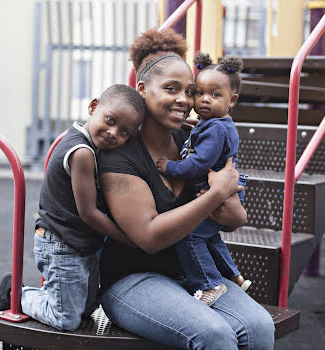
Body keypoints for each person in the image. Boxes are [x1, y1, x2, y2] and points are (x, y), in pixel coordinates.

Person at [97, 28, 275, 349]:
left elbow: (234, 217)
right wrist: (217, 195)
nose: (184, 100)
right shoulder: (120, 155)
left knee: (260, 327)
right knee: (213, 335)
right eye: (171, 89)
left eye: (190, 91)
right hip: (134, 278)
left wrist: (233, 209)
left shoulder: (192, 139)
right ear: (142, 89)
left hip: (191, 275)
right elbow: (150, 238)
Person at [0, 84, 145, 331]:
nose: (114, 133)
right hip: (60, 243)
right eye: (110, 120)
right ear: (93, 107)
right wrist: (128, 239)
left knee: (88, 308)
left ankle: (54, 295)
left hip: (81, 243)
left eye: (124, 132)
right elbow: (89, 213)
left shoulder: (96, 144)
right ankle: (14, 295)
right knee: (66, 318)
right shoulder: (81, 151)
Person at [156, 52, 251, 305]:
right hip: (217, 190)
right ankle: (235, 276)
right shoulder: (212, 124)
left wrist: (171, 168)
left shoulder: (216, 128)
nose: (205, 100)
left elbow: (200, 163)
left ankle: (209, 283)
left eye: (215, 95)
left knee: (190, 235)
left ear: (233, 100)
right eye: (199, 93)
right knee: (209, 237)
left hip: (220, 191)